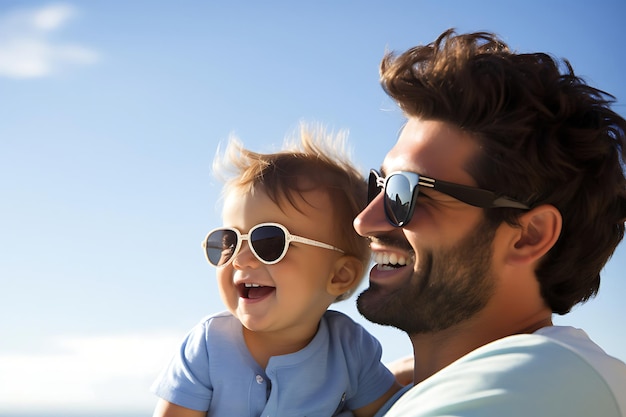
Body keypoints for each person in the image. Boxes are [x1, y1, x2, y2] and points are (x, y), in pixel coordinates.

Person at [354, 29, 626, 416]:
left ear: (528, 236)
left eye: (406, 192)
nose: (364, 221)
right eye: (377, 186)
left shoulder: (535, 386)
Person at [151, 124, 401, 417]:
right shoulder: (208, 346)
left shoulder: (350, 350)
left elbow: (403, 410)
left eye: (268, 242)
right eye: (228, 242)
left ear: (339, 276)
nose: (241, 260)